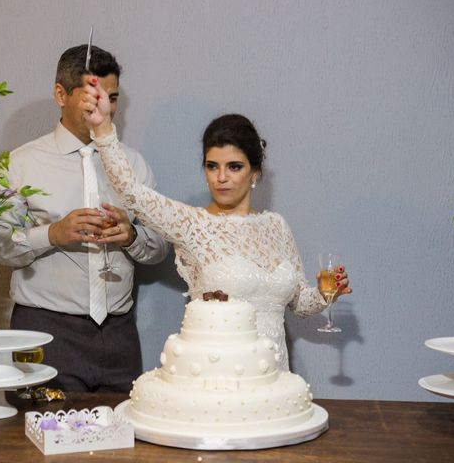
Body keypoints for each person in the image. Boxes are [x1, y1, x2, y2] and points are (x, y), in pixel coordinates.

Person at [80, 77, 352, 371]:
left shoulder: (277, 226)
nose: (221, 177)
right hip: (218, 375)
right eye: (212, 166)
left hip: (275, 378)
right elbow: (131, 192)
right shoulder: (192, 224)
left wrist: (328, 293)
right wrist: (103, 126)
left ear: (255, 172)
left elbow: (300, 304)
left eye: (234, 166)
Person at [0, 46, 169, 392]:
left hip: (119, 336)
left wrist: (131, 235)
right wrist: (53, 234)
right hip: (45, 331)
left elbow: (160, 249)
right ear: (61, 94)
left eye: (112, 98)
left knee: (123, 441)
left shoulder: (134, 165)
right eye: (94, 95)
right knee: (41, 441)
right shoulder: (21, 163)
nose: (104, 107)